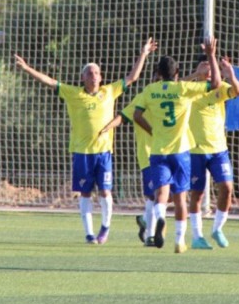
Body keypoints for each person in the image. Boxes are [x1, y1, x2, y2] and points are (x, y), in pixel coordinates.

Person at [15, 38, 157, 244]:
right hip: (82, 152)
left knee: (106, 191)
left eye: (96, 73)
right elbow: (49, 81)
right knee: (85, 192)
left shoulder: (109, 91)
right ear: (82, 77)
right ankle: (89, 234)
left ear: (101, 77)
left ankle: (105, 229)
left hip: (104, 152)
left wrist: (144, 53)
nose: (94, 75)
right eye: (89, 73)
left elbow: (132, 77)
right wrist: (27, 68)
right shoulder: (73, 94)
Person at [133, 37, 220, 254]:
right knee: (181, 197)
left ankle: (160, 218)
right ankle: (179, 241)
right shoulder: (183, 89)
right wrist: (211, 55)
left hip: (158, 151)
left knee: (161, 193)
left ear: (160, 73)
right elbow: (216, 84)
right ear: (177, 72)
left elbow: (136, 115)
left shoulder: (150, 90)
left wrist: (151, 130)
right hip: (181, 151)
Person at [184, 56, 239, 249]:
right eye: (204, 64)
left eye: (212, 66)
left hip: (218, 150)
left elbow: (238, 91)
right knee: (197, 194)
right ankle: (197, 236)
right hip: (195, 150)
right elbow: (175, 86)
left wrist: (231, 74)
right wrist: (195, 74)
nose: (209, 68)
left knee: (227, 188)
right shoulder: (189, 90)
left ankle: (217, 228)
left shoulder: (218, 88)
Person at [98, 93, 156, 246]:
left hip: (172, 152)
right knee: (155, 195)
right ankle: (150, 235)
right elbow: (123, 116)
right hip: (149, 155)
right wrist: (107, 127)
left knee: (171, 195)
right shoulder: (145, 96)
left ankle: (145, 219)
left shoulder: (175, 93)